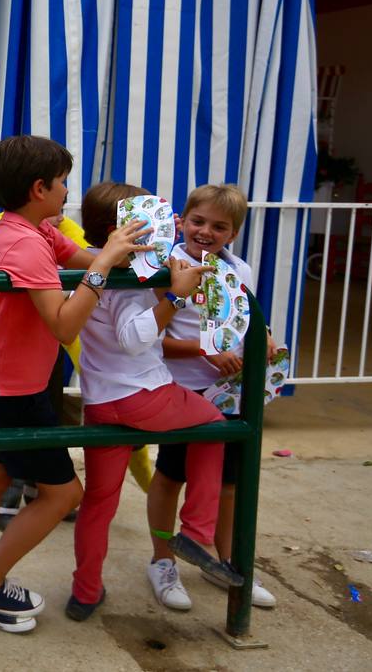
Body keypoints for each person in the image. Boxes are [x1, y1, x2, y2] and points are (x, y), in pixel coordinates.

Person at [0, 135, 151, 634]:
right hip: (14, 388)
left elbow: (80, 255)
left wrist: (121, 252)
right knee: (64, 494)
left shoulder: (28, 227)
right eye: (63, 182)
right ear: (39, 187)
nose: (69, 192)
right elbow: (64, 325)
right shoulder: (23, 243)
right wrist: (106, 267)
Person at [66, 182, 244, 622]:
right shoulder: (127, 283)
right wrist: (176, 297)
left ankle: (85, 591)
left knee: (98, 503)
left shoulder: (92, 274)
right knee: (215, 426)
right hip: (144, 395)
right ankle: (196, 532)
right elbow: (133, 338)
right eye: (157, 221)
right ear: (124, 230)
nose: (170, 228)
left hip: (101, 403)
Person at [147, 184, 278, 611]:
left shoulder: (240, 268)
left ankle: (223, 561)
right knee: (170, 476)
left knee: (230, 484)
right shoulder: (168, 267)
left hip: (230, 393)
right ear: (181, 222)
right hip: (182, 391)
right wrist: (206, 352)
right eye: (198, 221)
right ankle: (163, 561)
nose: (206, 231)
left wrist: (265, 338)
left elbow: (245, 317)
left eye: (219, 226)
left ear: (233, 233)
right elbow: (153, 339)